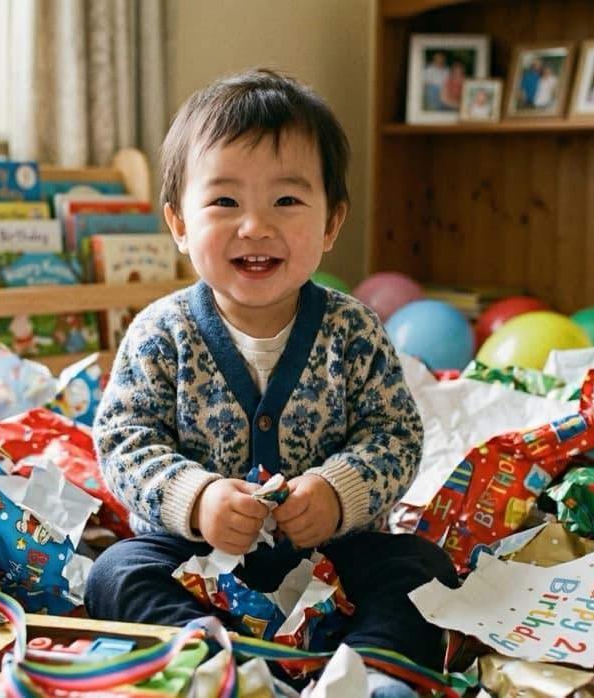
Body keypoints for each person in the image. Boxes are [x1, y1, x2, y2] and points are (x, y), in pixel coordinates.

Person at [84, 67, 460, 698]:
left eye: (286, 201)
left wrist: (338, 494)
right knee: (113, 573)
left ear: (331, 222)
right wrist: (196, 500)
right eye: (225, 202)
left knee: (425, 568)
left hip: (336, 556)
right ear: (179, 224)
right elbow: (123, 441)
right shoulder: (159, 331)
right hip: (197, 562)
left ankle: (370, 675)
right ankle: (217, 670)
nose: (255, 226)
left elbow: (395, 434)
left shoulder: (353, 329)